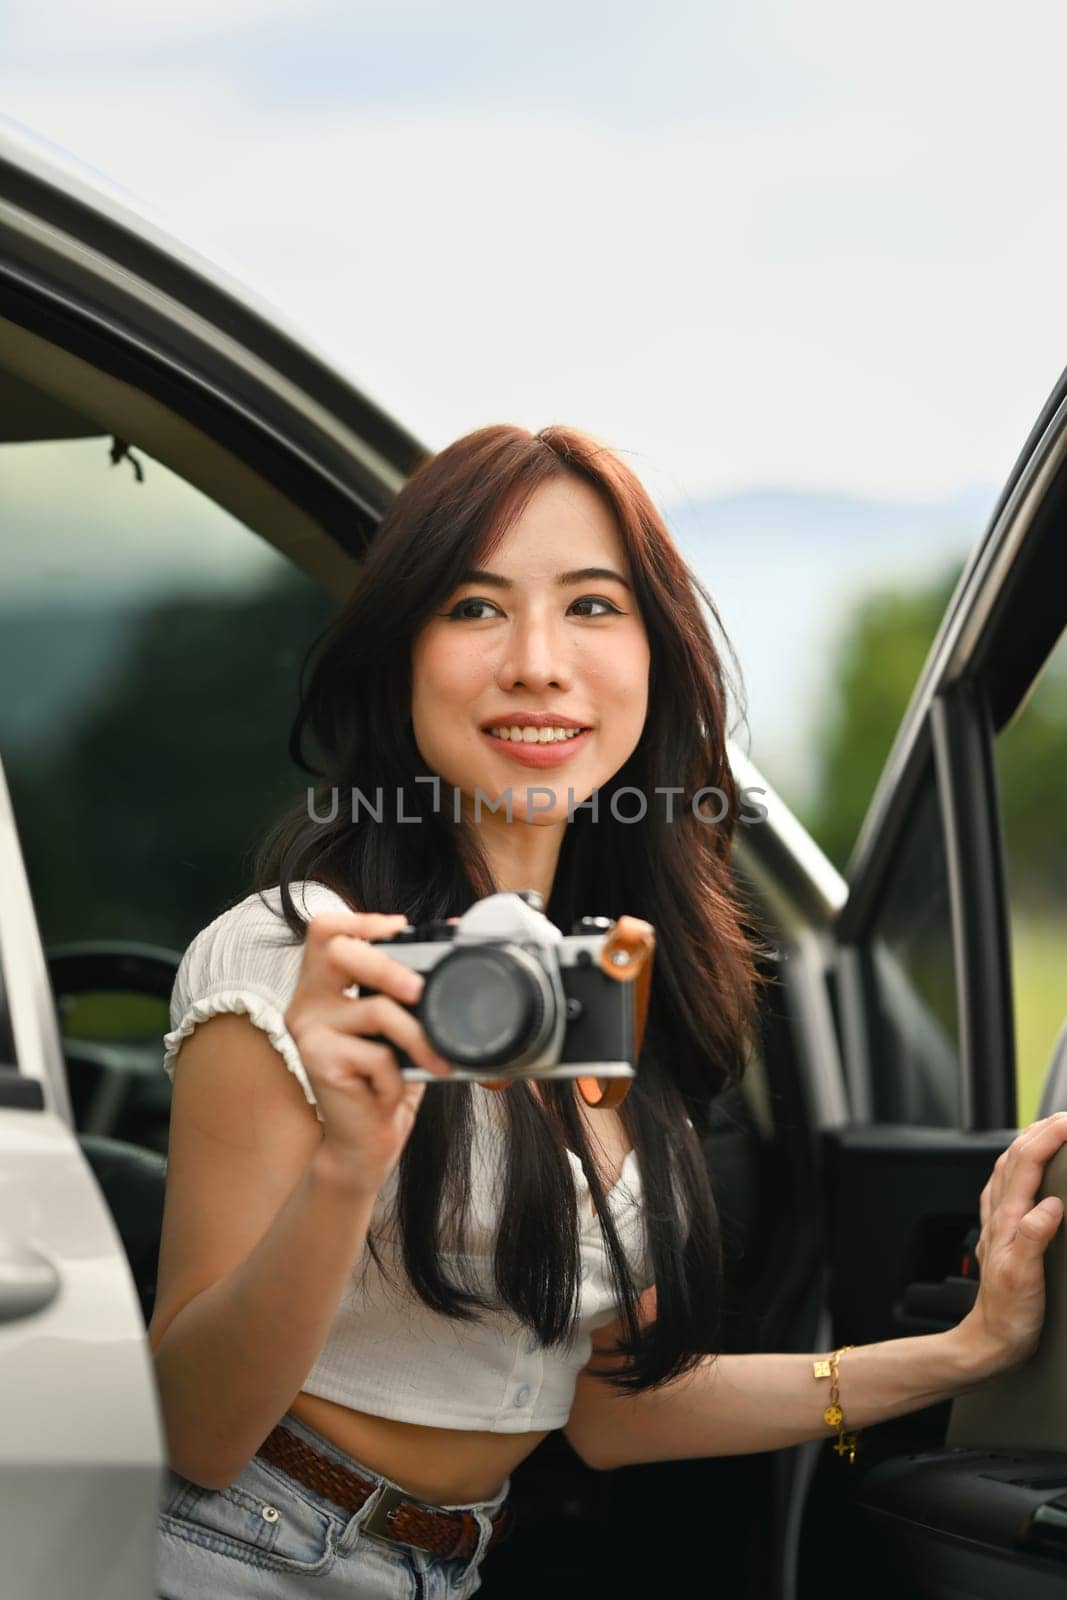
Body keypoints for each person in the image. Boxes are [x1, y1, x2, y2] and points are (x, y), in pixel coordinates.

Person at [149, 422, 1067, 1600]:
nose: (536, 661)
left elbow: (614, 1414)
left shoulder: (606, 980)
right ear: (398, 655)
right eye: (474, 608)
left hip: (443, 1569)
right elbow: (194, 1432)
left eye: (591, 607)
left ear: (655, 656)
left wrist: (960, 1352)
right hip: (245, 1552)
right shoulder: (301, 949)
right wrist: (346, 1162)